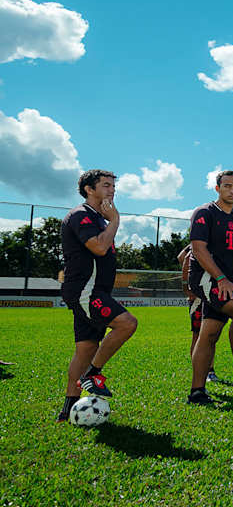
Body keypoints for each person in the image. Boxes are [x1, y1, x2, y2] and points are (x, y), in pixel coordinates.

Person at [56, 170, 139, 421]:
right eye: (105, 185)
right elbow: (99, 247)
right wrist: (115, 220)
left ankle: (68, 409)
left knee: (85, 348)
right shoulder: (82, 215)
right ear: (89, 189)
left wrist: (108, 220)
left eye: (113, 186)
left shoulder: (98, 218)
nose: (112, 190)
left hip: (93, 290)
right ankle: (92, 374)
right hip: (85, 291)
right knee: (127, 324)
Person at [186, 170, 233, 405]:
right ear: (217, 188)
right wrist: (221, 279)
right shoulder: (204, 213)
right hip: (206, 278)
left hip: (226, 280)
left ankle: (197, 392)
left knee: (209, 333)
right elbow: (198, 249)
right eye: (226, 186)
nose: (232, 190)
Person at [178, 243, 219, 383]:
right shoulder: (201, 241)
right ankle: (203, 371)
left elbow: (181, 256)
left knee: (209, 334)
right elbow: (184, 258)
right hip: (199, 294)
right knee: (199, 334)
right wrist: (187, 286)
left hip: (210, 292)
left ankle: (209, 370)